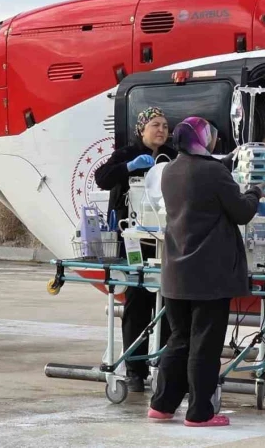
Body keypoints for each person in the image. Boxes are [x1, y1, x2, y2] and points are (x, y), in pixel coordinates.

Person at [148, 116, 262, 427]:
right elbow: (241, 211)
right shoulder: (213, 171)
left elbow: (200, 188)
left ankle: (162, 404)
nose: (213, 138)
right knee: (205, 344)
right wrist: (254, 192)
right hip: (208, 274)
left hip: (175, 271)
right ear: (200, 138)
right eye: (209, 134)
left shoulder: (170, 170)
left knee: (179, 339)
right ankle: (199, 413)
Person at [94, 106, 176, 392]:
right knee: (138, 303)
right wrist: (128, 168)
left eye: (165, 125)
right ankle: (135, 369)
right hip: (133, 239)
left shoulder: (172, 158)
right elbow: (101, 178)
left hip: (165, 240)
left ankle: (166, 365)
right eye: (155, 124)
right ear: (142, 129)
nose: (161, 130)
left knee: (167, 303)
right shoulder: (127, 154)